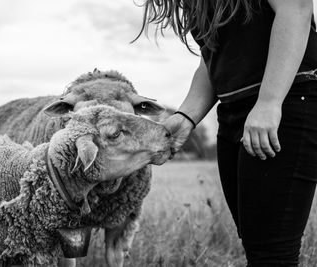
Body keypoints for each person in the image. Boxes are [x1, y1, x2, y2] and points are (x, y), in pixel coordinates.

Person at [136, 0, 317, 266]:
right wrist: (186, 117)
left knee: (272, 252)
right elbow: (212, 58)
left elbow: (296, 8)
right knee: (256, 242)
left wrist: (269, 102)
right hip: (233, 111)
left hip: (286, 101)